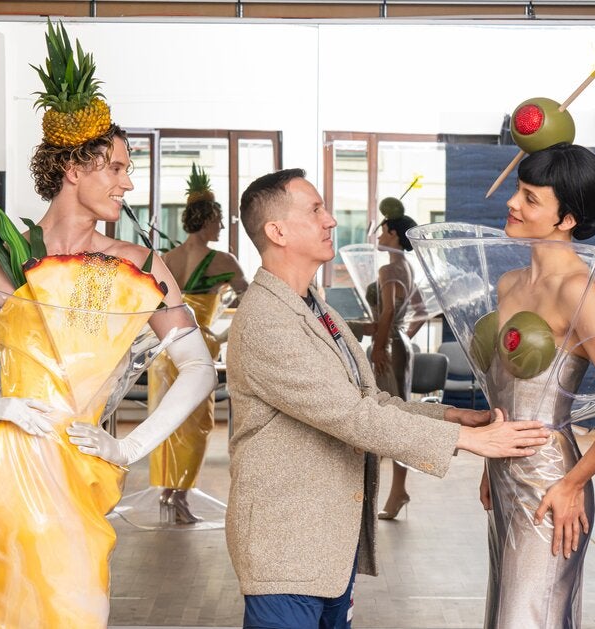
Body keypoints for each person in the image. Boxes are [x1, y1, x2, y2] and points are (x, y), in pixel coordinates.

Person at [0, 21, 216, 627]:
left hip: (80, 464)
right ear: (73, 169)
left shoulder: (139, 265)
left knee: (76, 610)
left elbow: (199, 368)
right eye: (115, 167)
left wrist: (129, 446)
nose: (128, 181)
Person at [224, 168, 552, 628]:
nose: (330, 219)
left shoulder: (314, 307)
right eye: (315, 210)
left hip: (324, 546)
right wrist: (469, 441)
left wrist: (450, 417)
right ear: (277, 232)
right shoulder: (266, 320)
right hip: (286, 548)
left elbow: (367, 399)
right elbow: (350, 415)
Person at [478, 142, 595, 628]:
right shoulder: (510, 283)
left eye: (530, 198)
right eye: (518, 190)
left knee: (526, 619)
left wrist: (574, 482)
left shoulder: (578, 290)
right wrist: (492, 456)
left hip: (549, 484)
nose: (512, 203)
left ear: (568, 219)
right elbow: (508, 387)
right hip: (505, 475)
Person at [148, 164, 247, 523]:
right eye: (218, 221)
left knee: (166, 418)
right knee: (197, 423)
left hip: (165, 348)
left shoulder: (167, 259)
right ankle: (181, 496)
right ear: (205, 221)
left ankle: (166, 492)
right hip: (196, 347)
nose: (221, 227)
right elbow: (251, 300)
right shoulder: (223, 261)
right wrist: (224, 333)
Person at [368, 214, 427, 520]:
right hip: (400, 346)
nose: (379, 236)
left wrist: (381, 345)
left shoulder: (389, 269)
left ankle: (389, 492)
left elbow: (389, 310)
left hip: (389, 348)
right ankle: (397, 492)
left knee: (385, 417)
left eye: (382, 231)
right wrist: (402, 336)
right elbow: (421, 311)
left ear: (393, 233)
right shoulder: (407, 267)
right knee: (397, 414)